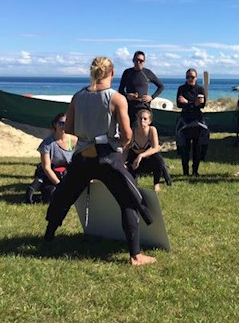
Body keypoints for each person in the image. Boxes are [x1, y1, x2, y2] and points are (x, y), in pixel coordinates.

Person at [45, 56, 156, 266]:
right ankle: (135, 255)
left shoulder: (78, 96)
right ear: (112, 73)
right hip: (107, 157)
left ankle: (48, 237)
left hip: (82, 157)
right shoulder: (116, 98)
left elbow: (68, 129)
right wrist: (120, 145)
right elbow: (126, 133)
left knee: (64, 196)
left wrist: (88, 133)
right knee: (129, 200)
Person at [25, 113, 77, 204]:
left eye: (67, 123)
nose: (64, 126)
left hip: (68, 174)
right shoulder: (47, 143)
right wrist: (59, 185)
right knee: (53, 196)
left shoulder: (74, 140)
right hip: (52, 176)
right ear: (55, 124)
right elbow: (47, 168)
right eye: (61, 123)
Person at [124, 108, 172, 192]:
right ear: (137, 120)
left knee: (158, 159)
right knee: (127, 165)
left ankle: (156, 184)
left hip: (148, 160)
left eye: (145, 119)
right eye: (140, 118)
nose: (142, 121)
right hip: (136, 162)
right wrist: (122, 162)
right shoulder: (133, 131)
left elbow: (155, 147)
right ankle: (133, 183)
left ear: (149, 121)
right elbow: (126, 148)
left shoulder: (152, 130)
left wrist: (141, 155)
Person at [175, 68, 209, 177]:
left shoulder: (200, 89)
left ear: (196, 78)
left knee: (197, 147)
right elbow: (179, 104)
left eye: (192, 77)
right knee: (184, 147)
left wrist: (188, 103)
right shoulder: (181, 88)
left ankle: (195, 171)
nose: (190, 79)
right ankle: (185, 172)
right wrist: (194, 103)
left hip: (197, 120)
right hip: (185, 119)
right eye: (188, 77)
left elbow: (203, 105)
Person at [118, 50, 165, 125]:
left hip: (143, 106)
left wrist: (151, 97)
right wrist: (127, 96)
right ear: (133, 61)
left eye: (141, 61)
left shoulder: (147, 72)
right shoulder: (127, 72)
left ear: (144, 62)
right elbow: (120, 90)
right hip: (129, 106)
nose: (138, 62)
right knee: (130, 131)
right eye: (136, 60)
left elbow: (161, 86)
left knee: (146, 130)